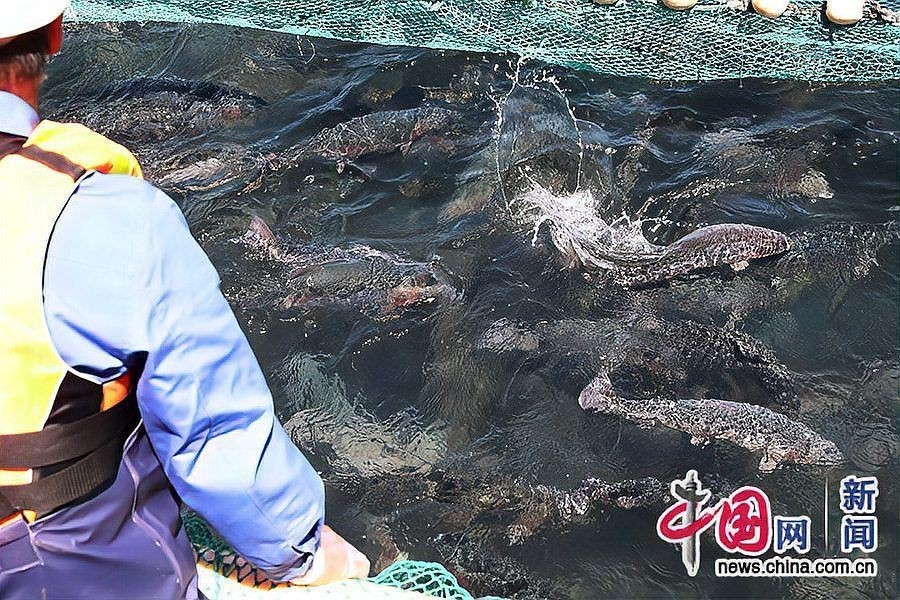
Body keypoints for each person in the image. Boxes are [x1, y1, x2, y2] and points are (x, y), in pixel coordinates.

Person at [0, 2, 369, 598]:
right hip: (54, 567)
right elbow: (213, 432)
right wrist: (300, 553)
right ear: (55, 31)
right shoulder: (110, 218)